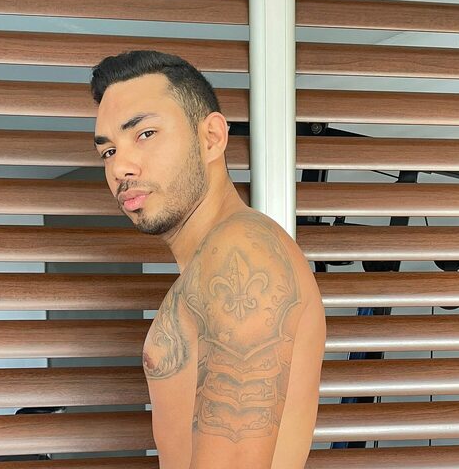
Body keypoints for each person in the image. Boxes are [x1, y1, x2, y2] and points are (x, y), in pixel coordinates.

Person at [90, 50, 326, 469]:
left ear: (212, 137)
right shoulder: (213, 259)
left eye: (145, 133)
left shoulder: (240, 252)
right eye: (108, 152)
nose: (120, 167)